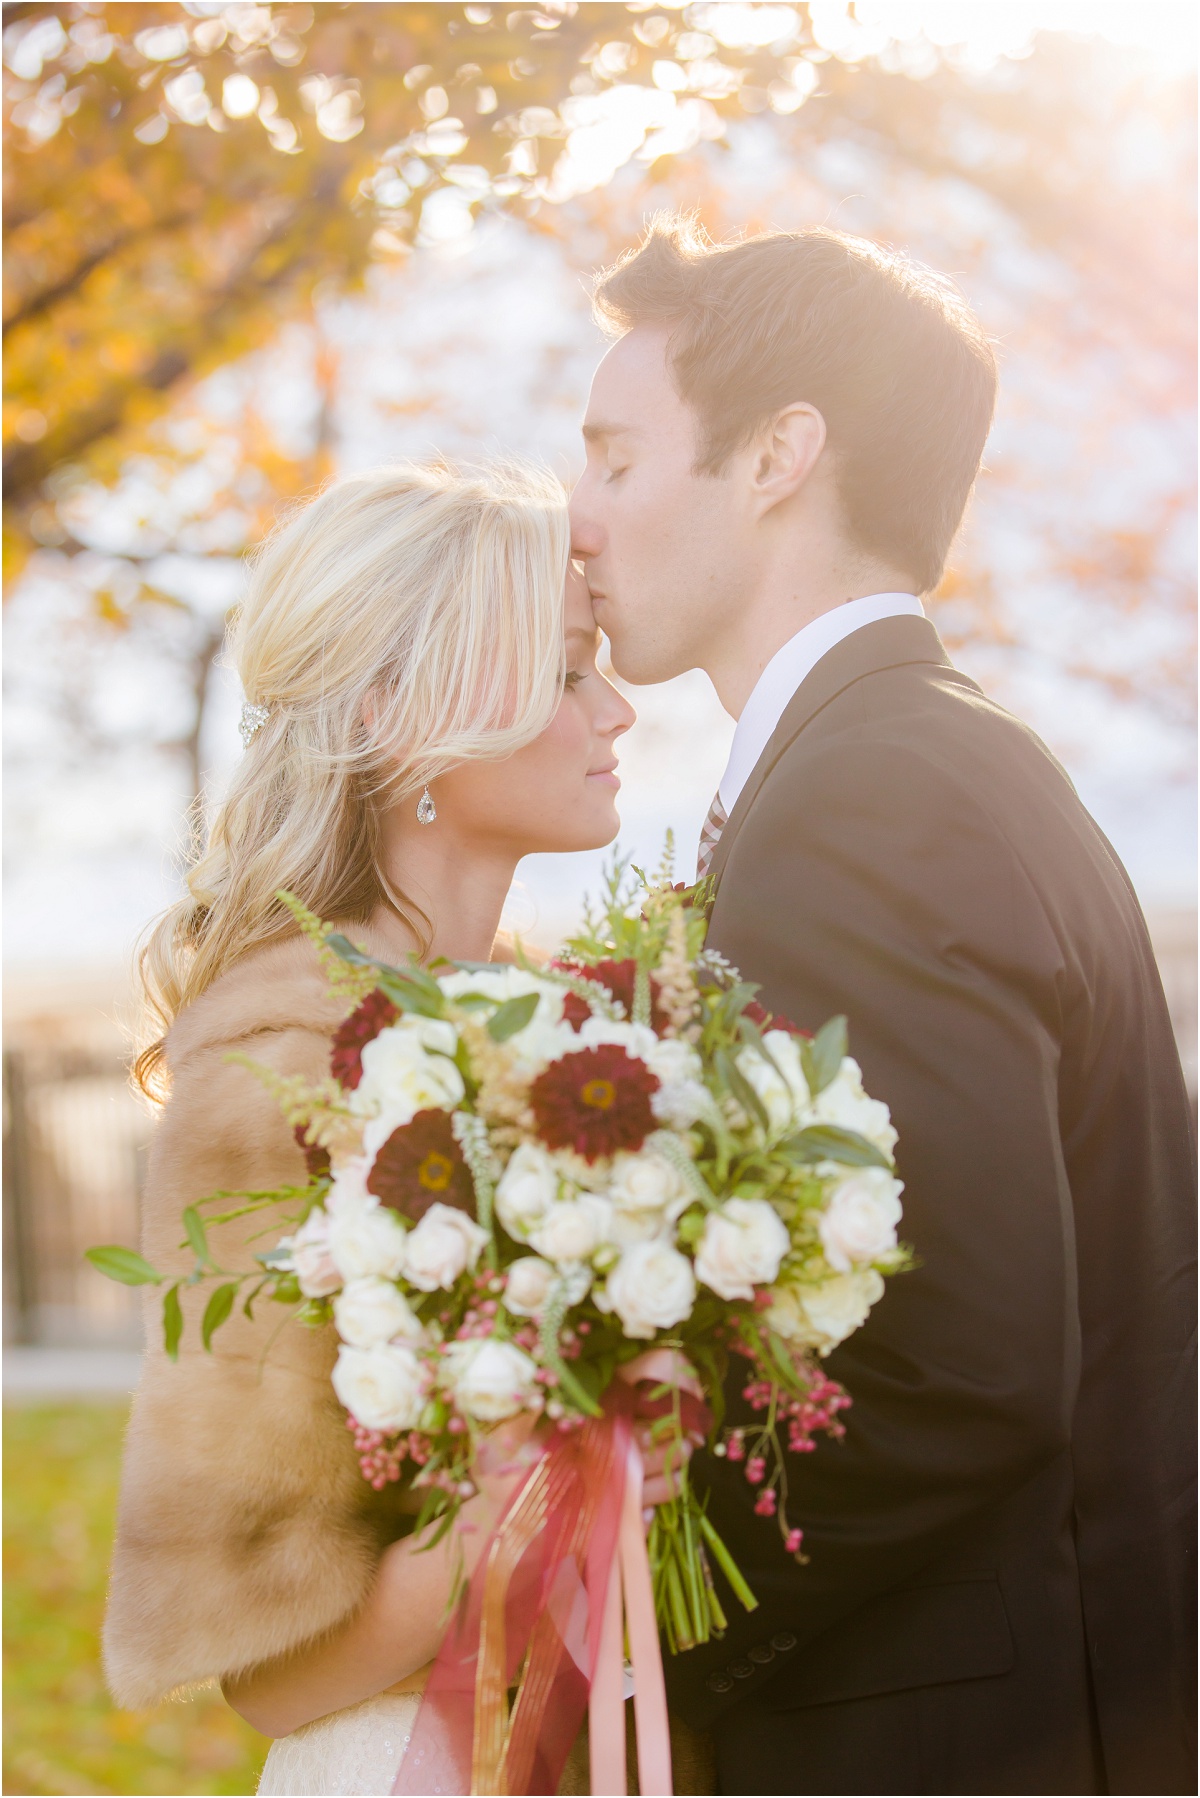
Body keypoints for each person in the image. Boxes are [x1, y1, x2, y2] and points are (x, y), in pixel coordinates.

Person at [569, 216, 1196, 1796]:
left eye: (617, 459)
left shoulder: (876, 791)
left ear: (779, 454)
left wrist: (646, 1635)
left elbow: (955, 1358)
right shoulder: (920, 754)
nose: (577, 520)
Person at [103, 460, 679, 1797]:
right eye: (566, 671)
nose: (617, 707)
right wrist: (511, 1508)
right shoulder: (275, 1070)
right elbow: (267, 1673)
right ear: (396, 716)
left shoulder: (586, 1053)